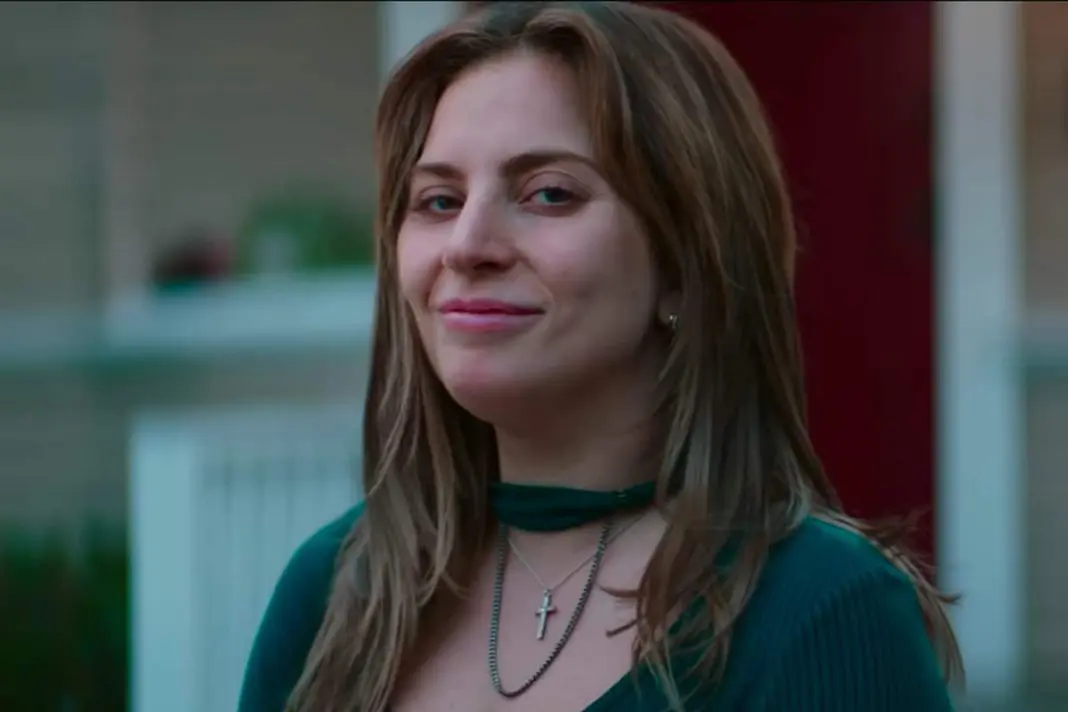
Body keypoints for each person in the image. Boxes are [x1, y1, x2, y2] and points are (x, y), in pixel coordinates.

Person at [238, 2, 963, 711]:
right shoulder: (338, 593)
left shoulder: (824, 612)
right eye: (438, 200)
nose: (466, 246)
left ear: (683, 262)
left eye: (549, 194)